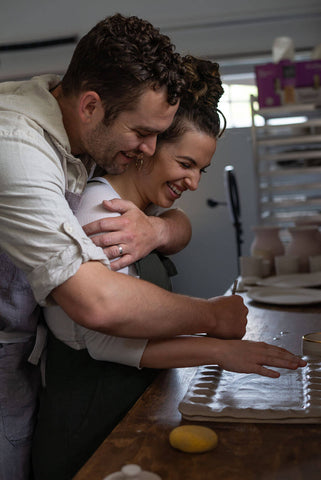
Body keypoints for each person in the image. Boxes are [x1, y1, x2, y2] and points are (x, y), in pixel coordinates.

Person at [31, 56, 307, 480]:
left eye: (202, 169)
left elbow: (178, 231)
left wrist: (160, 230)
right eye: (186, 165)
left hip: (130, 400)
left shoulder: (145, 213)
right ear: (147, 148)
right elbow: (105, 343)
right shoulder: (98, 209)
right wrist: (218, 347)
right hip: (89, 417)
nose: (194, 182)